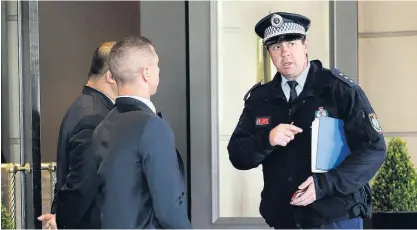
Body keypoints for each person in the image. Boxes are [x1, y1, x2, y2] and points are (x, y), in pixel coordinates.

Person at [227, 12, 386, 229]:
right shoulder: (260, 98)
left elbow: (373, 150)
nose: (285, 53)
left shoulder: (339, 90)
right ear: (269, 53)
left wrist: (325, 185)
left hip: (335, 216)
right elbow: (238, 154)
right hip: (285, 218)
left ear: (305, 45)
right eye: (276, 47)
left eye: (291, 44)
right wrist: (268, 139)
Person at [93, 36, 191, 229]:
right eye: (156, 64)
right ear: (146, 73)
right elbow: (169, 209)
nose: (159, 70)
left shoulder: (103, 127)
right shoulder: (153, 127)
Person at [38, 41, 118, 229]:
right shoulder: (95, 115)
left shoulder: (84, 106)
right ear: (111, 76)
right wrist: (62, 218)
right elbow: (83, 180)